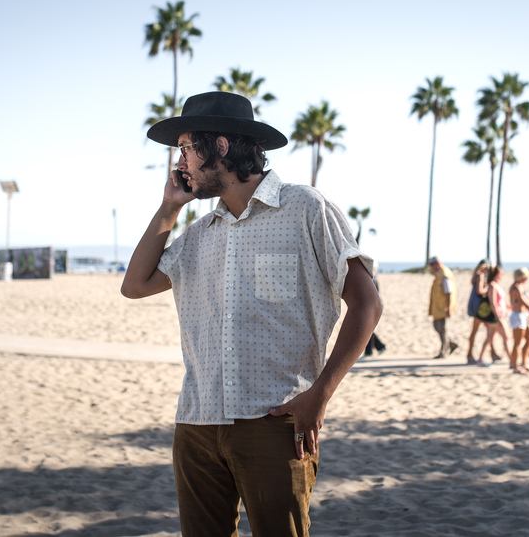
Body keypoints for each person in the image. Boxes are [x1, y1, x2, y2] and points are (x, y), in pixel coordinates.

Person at [121, 91, 382, 537]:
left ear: (220, 146)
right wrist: (169, 207)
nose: (179, 163)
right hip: (197, 423)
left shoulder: (306, 208)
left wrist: (320, 394)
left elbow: (367, 303)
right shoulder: (201, 232)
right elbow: (135, 285)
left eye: (185, 148)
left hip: (275, 422)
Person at [466, 259, 501, 364]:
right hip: (481, 307)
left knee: (487, 331)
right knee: (486, 331)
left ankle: (492, 353)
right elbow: (479, 291)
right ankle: (470, 354)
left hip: (479, 306)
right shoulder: (481, 275)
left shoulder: (476, 275)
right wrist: (489, 289)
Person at [476, 266, 510, 364]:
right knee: (506, 337)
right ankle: (512, 360)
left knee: (490, 337)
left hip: (500, 315)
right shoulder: (492, 286)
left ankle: (480, 358)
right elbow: (493, 303)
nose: (502, 275)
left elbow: (501, 301)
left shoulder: (496, 285)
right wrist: (498, 317)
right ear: (496, 274)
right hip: (496, 317)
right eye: (500, 273)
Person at [427, 256, 459, 358]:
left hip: (443, 307)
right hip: (438, 307)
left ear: (437, 264)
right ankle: (450, 344)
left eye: (432, 265)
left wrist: (448, 307)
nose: (431, 267)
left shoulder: (444, 274)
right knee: (437, 327)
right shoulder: (439, 273)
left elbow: (448, 292)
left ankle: (443, 351)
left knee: (442, 329)